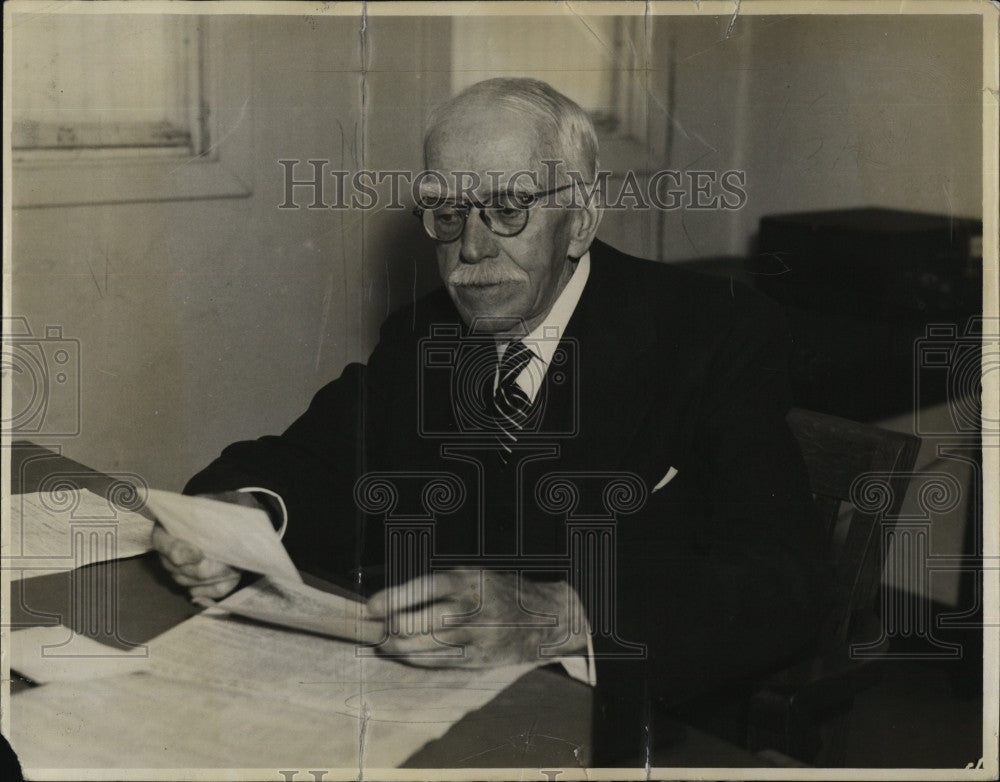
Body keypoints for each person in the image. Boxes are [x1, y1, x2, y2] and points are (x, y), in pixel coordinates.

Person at [153, 77, 825, 761]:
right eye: (446, 211)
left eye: (508, 207)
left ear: (583, 218)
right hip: (430, 708)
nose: (470, 248)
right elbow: (312, 464)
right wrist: (237, 517)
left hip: (628, 723)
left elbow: (785, 579)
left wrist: (557, 616)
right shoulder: (421, 338)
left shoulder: (715, 334)